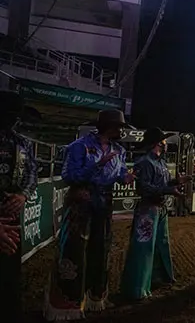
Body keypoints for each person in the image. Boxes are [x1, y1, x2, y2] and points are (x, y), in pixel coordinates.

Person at [45, 109, 135, 321]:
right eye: (119, 127)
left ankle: (95, 295)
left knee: (101, 247)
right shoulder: (79, 147)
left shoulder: (119, 150)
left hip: (103, 201)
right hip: (81, 201)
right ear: (109, 127)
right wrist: (99, 164)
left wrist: (126, 177)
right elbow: (69, 175)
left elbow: (120, 174)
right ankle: (67, 301)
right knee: (74, 248)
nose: (121, 131)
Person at [120, 128, 189, 301]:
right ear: (157, 143)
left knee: (159, 245)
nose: (166, 144)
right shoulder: (144, 162)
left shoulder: (160, 162)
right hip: (148, 209)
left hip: (158, 208)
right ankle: (137, 288)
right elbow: (143, 188)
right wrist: (169, 189)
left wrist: (175, 182)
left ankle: (153, 281)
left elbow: (161, 183)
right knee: (144, 249)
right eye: (164, 141)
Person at [0, 91, 38, 322]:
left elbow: (32, 172)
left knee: (10, 272)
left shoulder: (22, 142)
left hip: (11, 212)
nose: (15, 120)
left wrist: (23, 196)